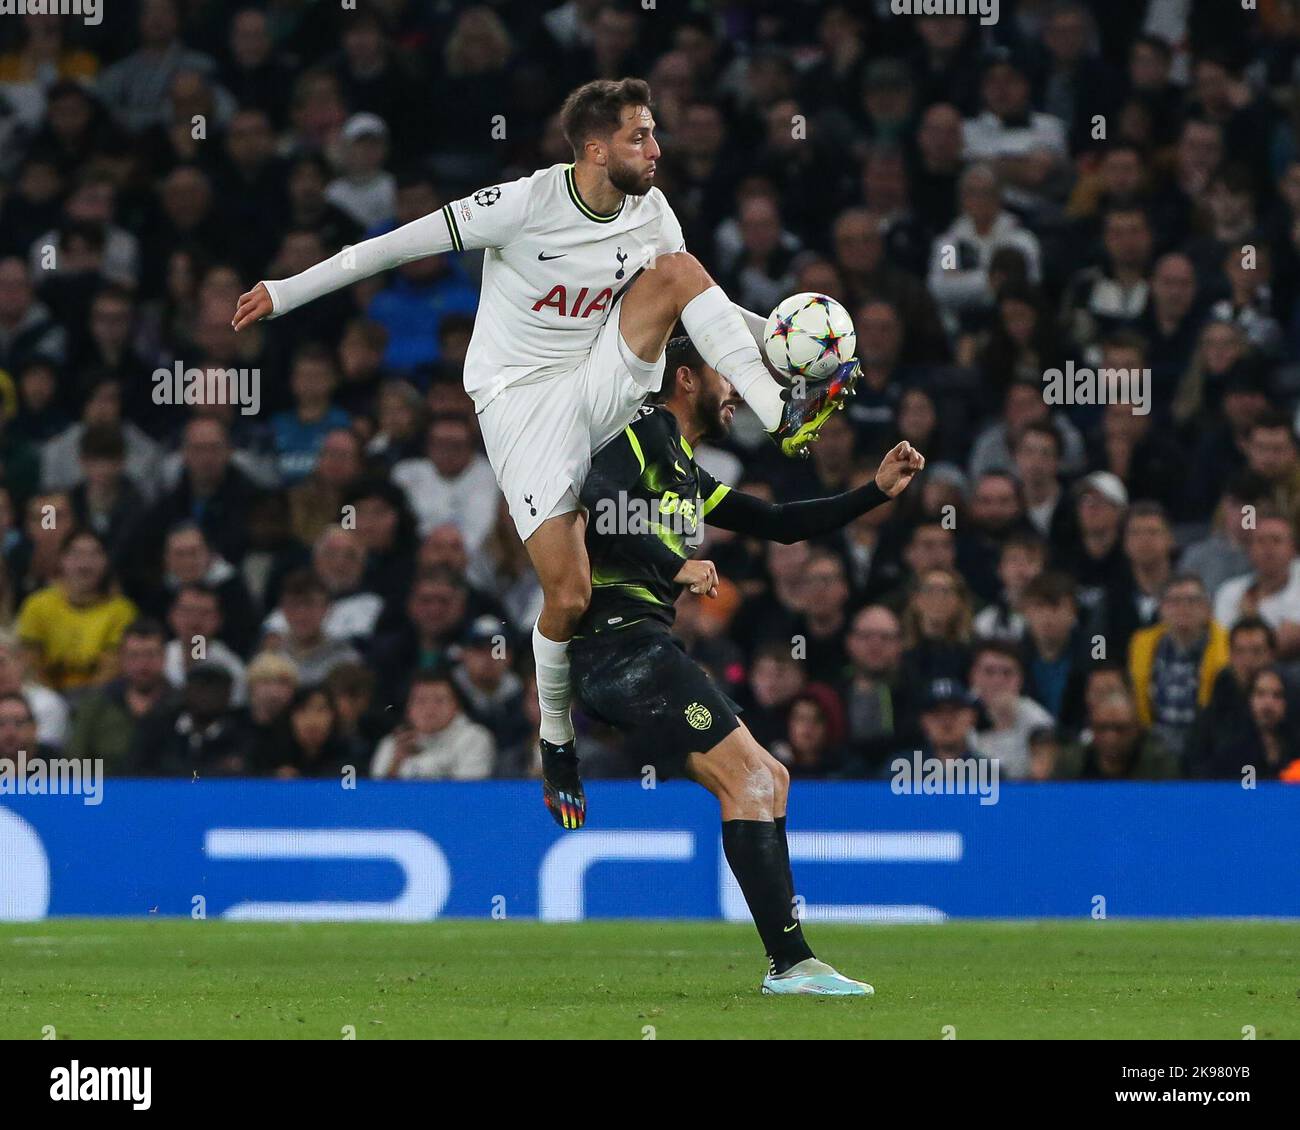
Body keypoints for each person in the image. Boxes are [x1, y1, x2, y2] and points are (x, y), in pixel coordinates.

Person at [232, 77, 858, 806]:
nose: (656, 150)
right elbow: (387, 250)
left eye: (654, 134)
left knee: (681, 272)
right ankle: (556, 744)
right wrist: (286, 289)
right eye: (638, 137)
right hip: (519, 402)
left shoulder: (651, 212)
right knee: (569, 594)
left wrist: (787, 348)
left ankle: (776, 411)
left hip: (598, 376)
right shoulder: (522, 205)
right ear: (595, 149)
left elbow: (703, 301)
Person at [567, 335, 923, 996]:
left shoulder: (684, 471)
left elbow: (780, 522)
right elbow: (595, 498)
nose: (734, 390)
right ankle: (790, 964)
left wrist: (873, 492)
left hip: (638, 650)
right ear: (684, 379)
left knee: (767, 779)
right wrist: (674, 563)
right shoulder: (638, 435)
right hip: (620, 645)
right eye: (723, 377)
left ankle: (790, 963)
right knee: (756, 778)